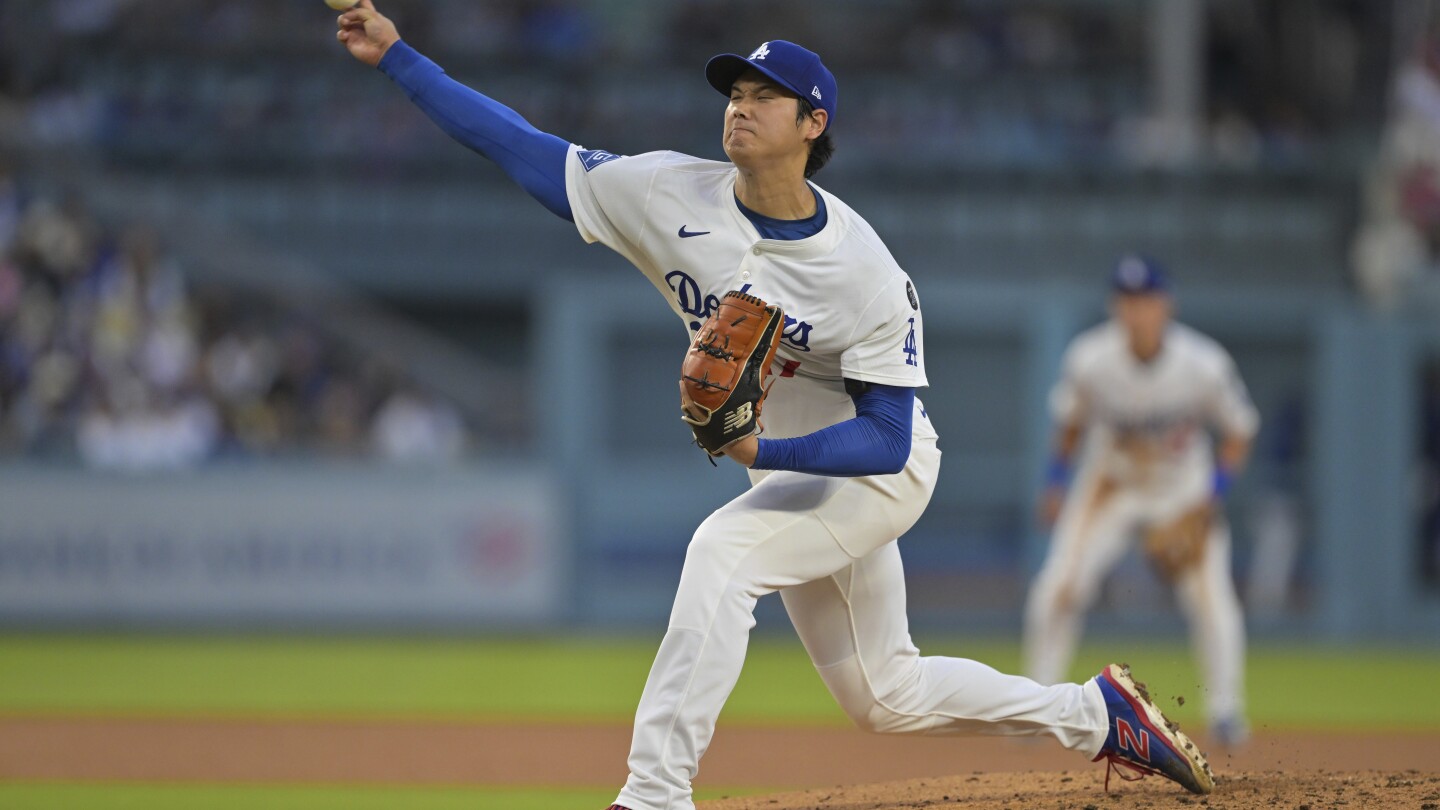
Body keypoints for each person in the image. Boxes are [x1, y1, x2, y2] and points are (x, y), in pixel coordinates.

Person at [334, 4, 1214, 806]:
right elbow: (521, 146)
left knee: (724, 551)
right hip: (794, 473)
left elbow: (887, 434)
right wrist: (399, 57)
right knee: (885, 696)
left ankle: (653, 794)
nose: (740, 107)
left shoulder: (864, 269)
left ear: (813, 124)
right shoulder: (666, 191)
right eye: (736, 91)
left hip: (877, 470)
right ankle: (1099, 716)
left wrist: (764, 458)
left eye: (767, 96)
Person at [1024, 256, 1258, 748]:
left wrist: (1211, 499)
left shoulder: (1203, 363)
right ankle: (1038, 708)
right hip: (1109, 488)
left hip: (1183, 495)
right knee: (1058, 589)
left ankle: (1226, 713)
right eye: (1127, 301)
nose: (1137, 311)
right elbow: (1070, 425)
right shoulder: (1090, 358)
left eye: (1146, 300)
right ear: (1116, 306)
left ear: (1164, 304)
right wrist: (1055, 484)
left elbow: (1239, 431)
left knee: (1214, 601)